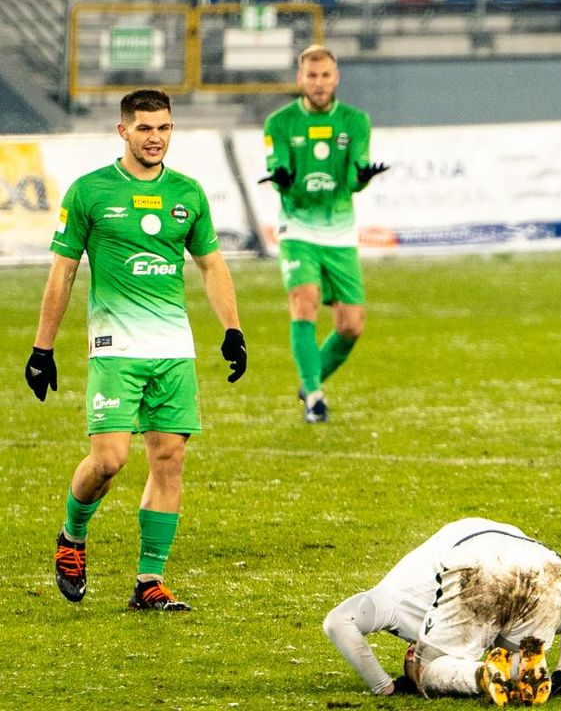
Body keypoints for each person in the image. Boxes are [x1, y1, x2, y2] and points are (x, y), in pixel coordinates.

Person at [25, 89, 247, 611]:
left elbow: (211, 265)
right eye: (145, 128)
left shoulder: (187, 193)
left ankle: (149, 581)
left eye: (163, 128)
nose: (155, 138)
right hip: (115, 348)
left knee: (169, 459)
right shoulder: (90, 191)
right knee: (109, 460)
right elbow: (63, 271)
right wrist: (42, 348)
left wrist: (232, 330)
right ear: (123, 130)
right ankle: (72, 535)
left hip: (173, 349)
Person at [322, 517, 561, 706]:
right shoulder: (446, 618)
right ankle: (544, 678)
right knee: (518, 664)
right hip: (549, 563)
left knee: (430, 671)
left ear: (411, 652)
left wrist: (385, 687)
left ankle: (484, 675)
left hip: (476, 559)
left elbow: (337, 622)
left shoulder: (391, 598)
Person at [261, 43, 388, 424]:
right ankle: (315, 397)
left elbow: (354, 177)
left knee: (351, 325)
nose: (319, 83)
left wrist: (362, 177)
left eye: (325, 75)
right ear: (300, 78)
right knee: (305, 301)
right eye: (312, 76)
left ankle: (310, 380)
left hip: (340, 231)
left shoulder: (356, 121)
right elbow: (278, 166)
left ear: (337, 78)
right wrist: (283, 178)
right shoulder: (279, 123)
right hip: (298, 228)